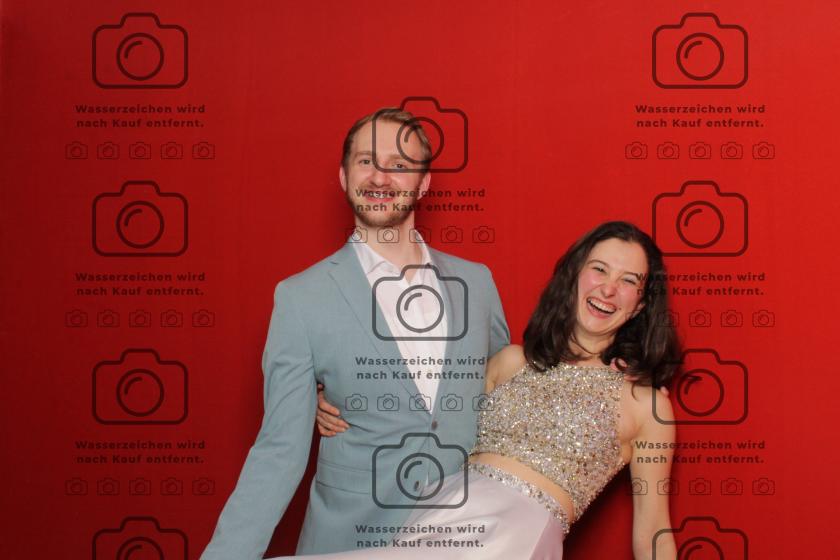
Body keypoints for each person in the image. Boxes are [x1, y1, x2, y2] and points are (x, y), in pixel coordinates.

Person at [199, 108, 510, 559]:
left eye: (399, 165)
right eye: (366, 161)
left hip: (463, 540)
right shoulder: (301, 298)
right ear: (345, 177)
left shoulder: (477, 284)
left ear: (424, 183)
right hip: (348, 539)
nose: (380, 177)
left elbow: (509, 399)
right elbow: (278, 451)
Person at [298, 221, 681, 559]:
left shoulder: (646, 406)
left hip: (513, 539)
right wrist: (336, 397)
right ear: (575, 276)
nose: (609, 289)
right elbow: (423, 412)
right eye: (599, 269)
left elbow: (653, 531)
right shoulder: (511, 361)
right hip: (439, 515)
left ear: (640, 305)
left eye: (628, 281)